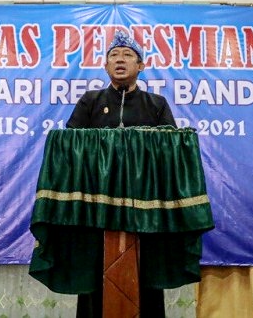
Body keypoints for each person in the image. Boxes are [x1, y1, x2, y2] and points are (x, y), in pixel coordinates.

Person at [67, 29, 175, 318]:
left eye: (128, 55)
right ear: (105, 66)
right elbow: (70, 146)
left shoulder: (157, 105)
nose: (120, 59)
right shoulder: (90, 101)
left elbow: (171, 151)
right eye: (114, 55)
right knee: (95, 277)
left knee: (144, 277)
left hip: (144, 210)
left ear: (141, 66)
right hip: (97, 209)